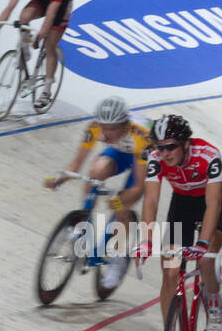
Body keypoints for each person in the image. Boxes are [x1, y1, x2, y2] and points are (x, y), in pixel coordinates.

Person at [45, 95, 151, 290]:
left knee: (122, 205)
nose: (107, 133)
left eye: (112, 128)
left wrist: (122, 200)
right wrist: (59, 179)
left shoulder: (141, 136)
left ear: (125, 125)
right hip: (120, 152)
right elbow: (76, 165)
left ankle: (118, 259)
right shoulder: (95, 127)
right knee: (95, 172)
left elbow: (139, 187)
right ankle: (86, 221)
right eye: (104, 127)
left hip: (144, 160)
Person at [142, 114, 222, 331]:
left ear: (186, 144)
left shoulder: (209, 155)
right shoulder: (155, 158)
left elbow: (214, 203)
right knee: (170, 271)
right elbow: (151, 200)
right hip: (182, 203)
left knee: (205, 259)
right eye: (160, 148)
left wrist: (202, 243)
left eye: (170, 147)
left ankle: (213, 303)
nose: (164, 154)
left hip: (209, 202)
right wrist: (146, 239)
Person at [0, 0, 72, 110]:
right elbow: (9, 8)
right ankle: (24, 49)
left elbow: (51, 15)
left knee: (49, 44)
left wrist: (41, 35)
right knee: (23, 19)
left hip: (61, 4)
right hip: (43, 0)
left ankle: (46, 91)